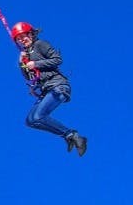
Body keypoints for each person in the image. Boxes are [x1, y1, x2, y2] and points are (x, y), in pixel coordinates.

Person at [11, 21, 86, 156]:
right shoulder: (26, 54)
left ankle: (73, 135)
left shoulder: (40, 44)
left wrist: (36, 63)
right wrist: (22, 62)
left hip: (57, 86)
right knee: (31, 121)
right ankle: (69, 135)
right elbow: (28, 76)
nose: (22, 40)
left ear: (31, 34)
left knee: (38, 116)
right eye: (19, 39)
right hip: (46, 90)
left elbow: (57, 59)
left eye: (24, 36)